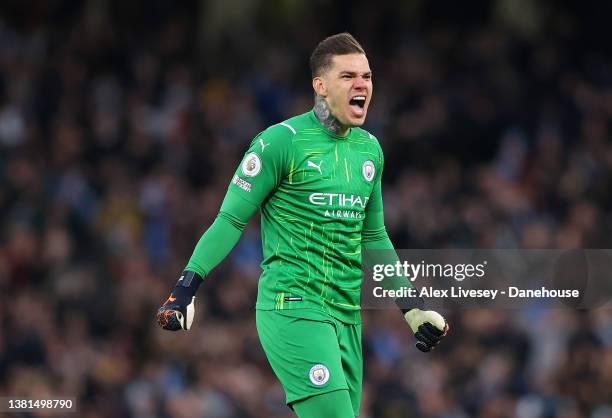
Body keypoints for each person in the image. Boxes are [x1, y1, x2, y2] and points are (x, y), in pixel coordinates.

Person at [157, 32, 449, 418]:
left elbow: (374, 235)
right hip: (292, 307)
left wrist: (412, 308)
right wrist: (185, 289)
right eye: (348, 77)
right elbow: (230, 219)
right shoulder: (281, 142)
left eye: (367, 76)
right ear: (321, 85)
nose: (362, 85)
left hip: (346, 316)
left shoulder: (370, 151)